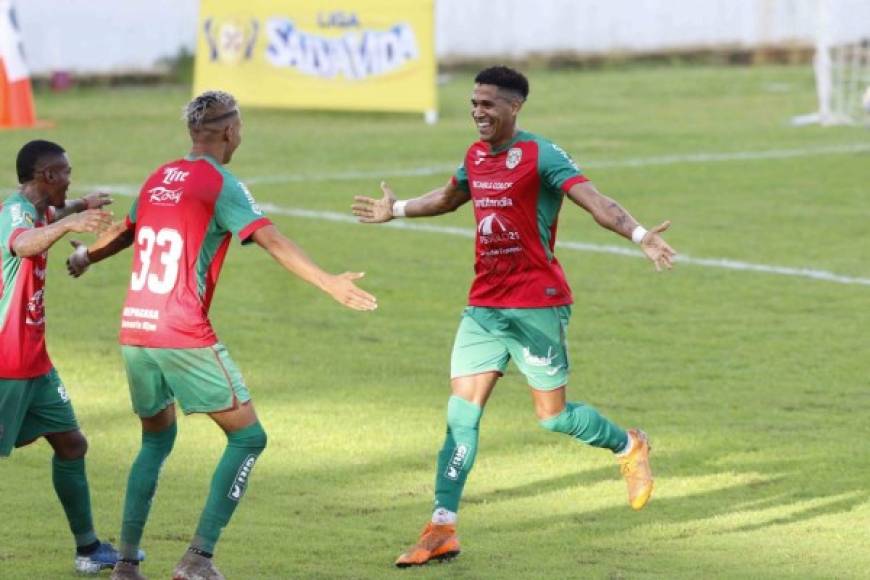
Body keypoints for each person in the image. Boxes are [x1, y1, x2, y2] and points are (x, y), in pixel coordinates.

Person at [352, 66, 676, 567]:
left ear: (514, 107)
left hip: (536, 304)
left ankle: (629, 444)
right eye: (474, 103)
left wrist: (639, 236)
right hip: (484, 306)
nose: (478, 112)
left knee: (553, 418)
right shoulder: (475, 156)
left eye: (488, 104)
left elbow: (597, 203)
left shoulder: (540, 154)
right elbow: (449, 197)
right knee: (461, 416)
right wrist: (395, 211)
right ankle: (441, 527)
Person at [65, 90, 377, 580]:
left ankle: (126, 564)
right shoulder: (221, 183)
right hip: (181, 331)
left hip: (136, 331)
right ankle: (197, 559)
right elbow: (271, 238)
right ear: (232, 131)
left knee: (156, 439)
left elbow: (125, 230)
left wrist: (85, 257)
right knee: (248, 437)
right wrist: (329, 282)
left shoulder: (157, 177)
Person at [0, 139, 134, 574]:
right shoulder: (15, 215)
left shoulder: (38, 207)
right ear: (46, 177)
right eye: (66, 173)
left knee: (72, 444)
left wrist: (81, 205)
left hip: (35, 362)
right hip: (7, 363)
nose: (71, 177)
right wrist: (71, 223)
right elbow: (23, 245)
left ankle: (89, 548)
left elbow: (51, 215)